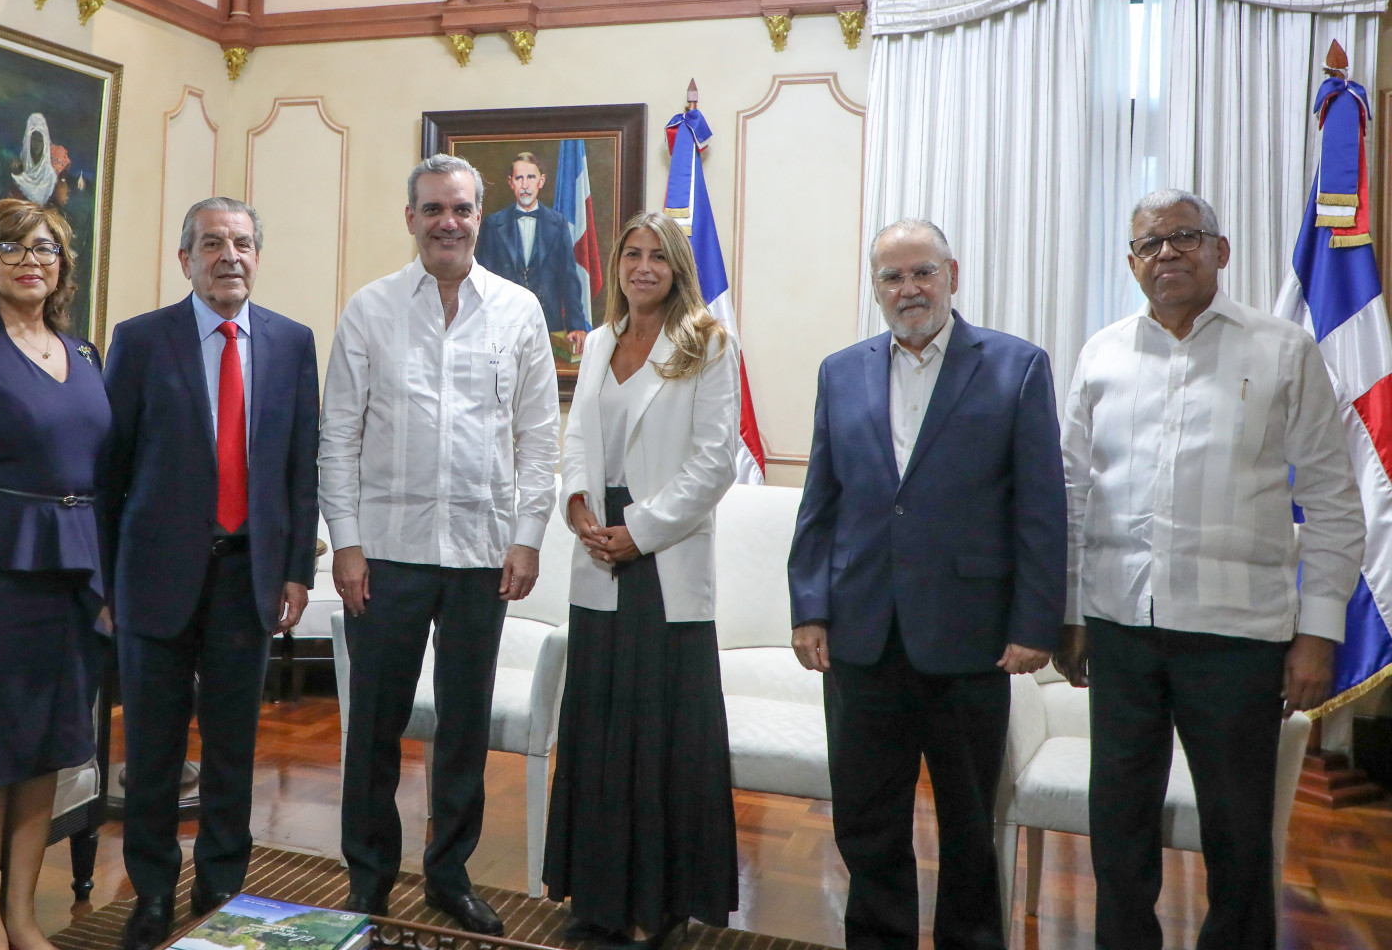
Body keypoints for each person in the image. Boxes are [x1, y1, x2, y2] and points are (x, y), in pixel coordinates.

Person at [1056, 188, 1365, 950]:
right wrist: (1068, 613)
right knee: (1118, 828)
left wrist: (1318, 634)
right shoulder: (1101, 354)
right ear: (1132, 264)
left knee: (1237, 834)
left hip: (1238, 639)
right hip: (1121, 629)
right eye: (1150, 243)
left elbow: (1333, 499)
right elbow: (1071, 493)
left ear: (1220, 251)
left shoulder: (1282, 351)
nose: (1167, 252)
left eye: (1185, 237)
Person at [788, 218, 1065, 950]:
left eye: (922, 272)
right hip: (861, 634)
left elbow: (1041, 508)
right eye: (893, 276)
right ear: (875, 287)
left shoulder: (1017, 367)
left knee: (969, 824)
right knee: (865, 819)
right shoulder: (840, 372)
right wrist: (810, 607)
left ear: (952, 275)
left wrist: (1035, 623)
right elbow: (821, 503)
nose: (909, 289)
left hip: (970, 637)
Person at [322, 153, 560, 934]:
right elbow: (338, 437)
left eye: (460, 209)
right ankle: (369, 878)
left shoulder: (519, 311)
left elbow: (539, 438)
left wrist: (528, 539)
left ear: (478, 217)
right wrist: (346, 544)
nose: (447, 223)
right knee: (374, 727)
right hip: (385, 554)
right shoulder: (371, 309)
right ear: (411, 218)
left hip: (482, 556)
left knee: (463, 728)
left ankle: (448, 875)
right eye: (432, 210)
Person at [104, 197, 321, 950]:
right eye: (212, 244)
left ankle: (221, 884)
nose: (230, 256)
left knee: (233, 747)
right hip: (153, 577)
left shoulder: (292, 342)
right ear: (185, 259)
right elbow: (111, 471)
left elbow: (299, 468)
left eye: (243, 243)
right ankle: (152, 892)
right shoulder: (140, 340)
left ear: (258, 256)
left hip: (248, 575)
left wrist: (296, 569)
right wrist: (106, 581)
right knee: (153, 748)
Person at [546, 212, 741, 950]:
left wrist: (642, 530)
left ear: (678, 267)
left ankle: (658, 905)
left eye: (659, 256)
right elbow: (576, 437)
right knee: (598, 731)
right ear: (618, 265)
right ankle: (597, 900)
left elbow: (715, 462)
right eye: (632, 253)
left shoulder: (708, 345)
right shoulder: (599, 341)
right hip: (599, 549)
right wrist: (577, 505)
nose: (643, 267)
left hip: (662, 556)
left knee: (660, 737)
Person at [0, 198, 111, 950]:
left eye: (44, 248)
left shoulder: (87, 353)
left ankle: (21, 916)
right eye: (9, 247)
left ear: (63, 265)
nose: (29, 260)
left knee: (45, 749)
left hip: (76, 573)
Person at [476, 151, 590, 353]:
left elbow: (568, 277)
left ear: (541, 181)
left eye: (531, 177)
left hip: (549, 325)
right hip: (503, 325)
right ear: (511, 182)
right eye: (519, 178)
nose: (525, 185)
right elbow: (482, 280)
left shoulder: (558, 223)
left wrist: (576, 325)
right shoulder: (493, 224)